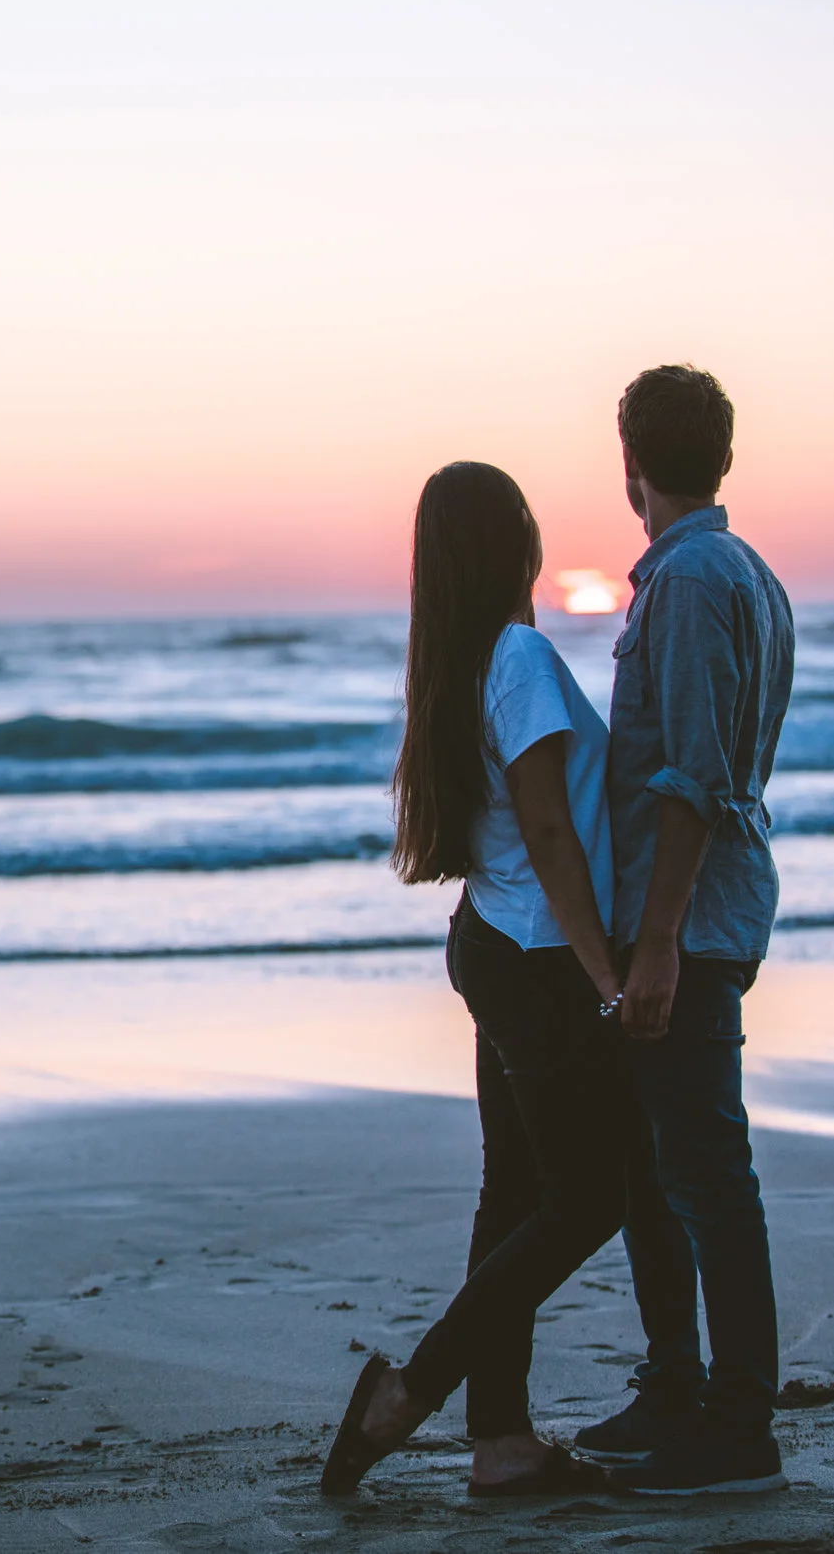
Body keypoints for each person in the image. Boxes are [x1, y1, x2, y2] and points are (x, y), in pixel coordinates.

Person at [320, 461, 631, 1498]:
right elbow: (546, 826)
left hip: (490, 942)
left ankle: (500, 1440)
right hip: (539, 958)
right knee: (594, 1193)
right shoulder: (522, 658)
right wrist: (606, 973)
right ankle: (408, 1394)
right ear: (517, 545)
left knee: (513, 1196)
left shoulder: (456, 665)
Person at [577, 364, 796, 1495]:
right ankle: (673, 1387)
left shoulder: (693, 579)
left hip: (690, 921)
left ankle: (737, 1420)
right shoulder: (740, 569)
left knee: (704, 1168)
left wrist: (654, 940)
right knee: (652, 1163)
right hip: (697, 908)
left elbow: (696, 776)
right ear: (719, 456)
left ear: (631, 469)